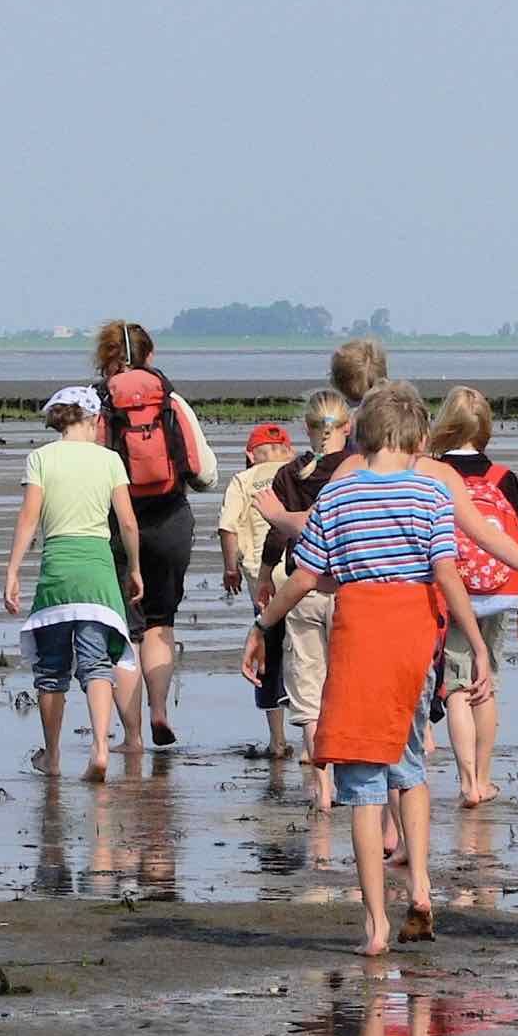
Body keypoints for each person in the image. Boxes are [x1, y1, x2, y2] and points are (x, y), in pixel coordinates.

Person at [242, 381, 493, 956]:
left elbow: (304, 577)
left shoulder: (337, 495)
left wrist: (261, 628)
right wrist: (475, 644)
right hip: (414, 635)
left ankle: (377, 923)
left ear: (360, 435)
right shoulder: (430, 494)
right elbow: (447, 574)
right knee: (408, 763)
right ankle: (422, 886)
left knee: (361, 782)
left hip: (362, 634)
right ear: (420, 438)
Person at [91, 320, 220, 754]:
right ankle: (161, 710)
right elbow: (206, 473)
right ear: (151, 354)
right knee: (162, 623)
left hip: (113, 525)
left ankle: (132, 738)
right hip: (169, 520)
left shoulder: (96, 403)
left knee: (125, 631)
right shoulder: (170, 399)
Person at [3, 386, 144, 779]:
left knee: (51, 671)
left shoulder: (41, 458)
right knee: (98, 663)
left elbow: (29, 518)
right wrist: (134, 567)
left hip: (57, 570)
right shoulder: (110, 460)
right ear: (95, 420)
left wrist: (13, 570)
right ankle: (100, 746)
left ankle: (52, 756)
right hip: (98, 568)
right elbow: (128, 522)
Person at [426, 385, 518, 806]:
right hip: (496, 592)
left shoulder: (434, 473)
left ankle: (465, 781)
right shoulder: (502, 477)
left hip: (447, 590)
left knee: (455, 687)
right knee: (485, 682)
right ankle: (486, 776)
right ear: (486, 428)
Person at [261, 385, 359, 807]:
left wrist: (265, 574)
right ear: (348, 425)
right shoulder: (358, 468)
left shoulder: (290, 473)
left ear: (307, 427)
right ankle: (353, 769)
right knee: (347, 681)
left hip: (301, 587)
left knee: (308, 684)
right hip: (348, 587)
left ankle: (322, 786)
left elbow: (276, 531)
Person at [218, 421, 299, 758]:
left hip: (262, 580)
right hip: (301, 574)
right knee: (307, 652)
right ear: (289, 452)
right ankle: (314, 739)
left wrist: (230, 568)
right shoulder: (300, 472)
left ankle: (277, 740)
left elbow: (227, 527)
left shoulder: (243, 479)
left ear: (249, 455)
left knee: (268, 654)